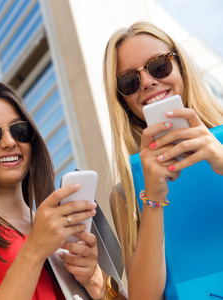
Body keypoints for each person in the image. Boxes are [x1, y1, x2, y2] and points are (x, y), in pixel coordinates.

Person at [0, 82, 127, 299]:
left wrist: (93, 278)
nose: (9, 142)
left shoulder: (58, 227)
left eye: (19, 130)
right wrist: (34, 249)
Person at [103, 21, 223, 299]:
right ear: (123, 101)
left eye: (159, 66)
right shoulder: (126, 192)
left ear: (180, 66)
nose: (147, 82)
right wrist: (153, 198)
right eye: (129, 81)